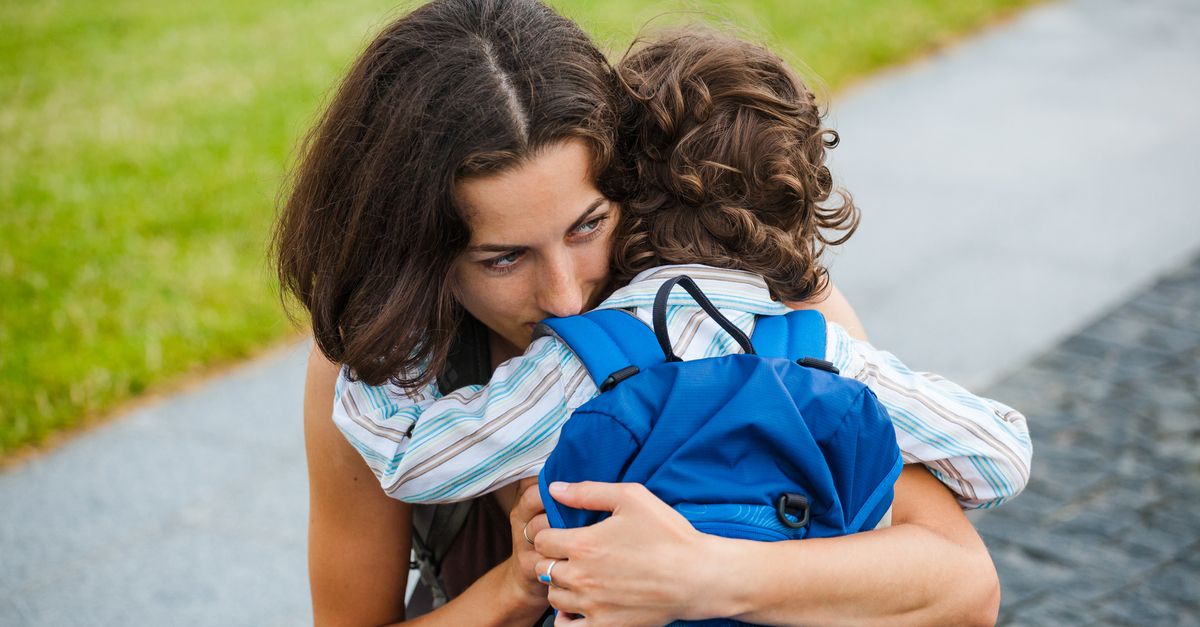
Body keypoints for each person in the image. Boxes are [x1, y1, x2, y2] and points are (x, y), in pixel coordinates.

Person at [275, 0, 1007, 624]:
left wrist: (705, 572)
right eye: (504, 258)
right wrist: (513, 584)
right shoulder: (381, 369)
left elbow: (962, 584)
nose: (565, 295)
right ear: (418, 259)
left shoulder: (753, 298)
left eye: (588, 225)